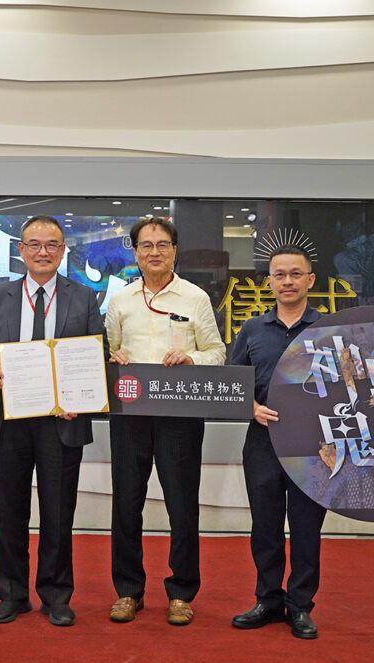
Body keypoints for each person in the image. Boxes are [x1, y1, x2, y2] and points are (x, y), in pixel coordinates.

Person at [0, 215, 106, 628]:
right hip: (9, 421)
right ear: (21, 250)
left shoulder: (84, 298)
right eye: (34, 244)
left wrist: (80, 397)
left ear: (63, 250)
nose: (43, 252)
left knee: (57, 513)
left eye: (52, 244)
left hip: (60, 422)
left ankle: (55, 594)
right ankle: (12, 594)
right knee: (7, 514)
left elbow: (96, 355)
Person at [104, 217, 226, 626]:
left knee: (181, 503)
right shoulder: (120, 299)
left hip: (179, 415)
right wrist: (113, 357)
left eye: (162, 244)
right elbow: (108, 351)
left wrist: (192, 358)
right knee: (125, 503)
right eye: (145, 245)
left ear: (174, 250)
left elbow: (217, 353)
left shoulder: (194, 298)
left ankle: (181, 592)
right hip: (130, 414)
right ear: (135, 252)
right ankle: (128, 591)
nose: (153, 252)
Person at [228, 244, 327, 639]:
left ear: (310, 280)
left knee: (306, 527)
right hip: (263, 439)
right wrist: (250, 406)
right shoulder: (252, 330)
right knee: (265, 526)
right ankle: (267, 599)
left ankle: (300, 606)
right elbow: (230, 382)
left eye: (295, 274)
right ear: (269, 282)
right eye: (279, 275)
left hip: (315, 445)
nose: (287, 281)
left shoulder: (331, 330)